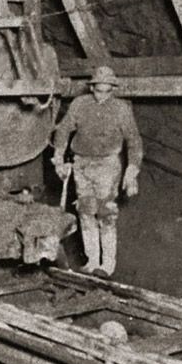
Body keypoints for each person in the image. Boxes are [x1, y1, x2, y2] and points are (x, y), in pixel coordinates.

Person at [51, 66, 143, 278]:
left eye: (107, 91)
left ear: (113, 89)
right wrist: (58, 157)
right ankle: (92, 261)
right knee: (85, 211)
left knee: (105, 212)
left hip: (107, 165)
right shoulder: (80, 104)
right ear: (92, 87)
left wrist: (132, 170)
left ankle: (107, 265)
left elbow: (134, 141)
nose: (102, 96)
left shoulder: (121, 109)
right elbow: (63, 129)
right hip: (82, 163)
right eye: (98, 91)